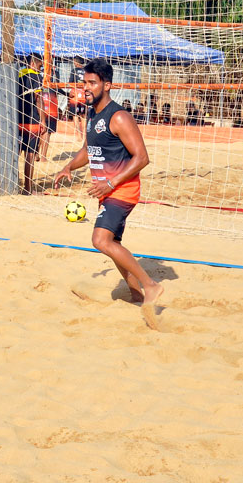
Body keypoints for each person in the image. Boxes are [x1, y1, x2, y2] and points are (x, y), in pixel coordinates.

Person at [53, 58, 164, 322]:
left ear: (108, 85)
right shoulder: (92, 114)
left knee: (100, 241)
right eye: (84, 83)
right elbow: (87, 150)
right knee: (113, 244)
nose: (87, 88)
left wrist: (111, 183)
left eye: (92, 83)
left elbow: (142, 158)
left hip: (122, 191)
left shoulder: (120, 117)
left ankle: (151, 286)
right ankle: (137, 297)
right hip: (106, 191)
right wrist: (69, 167)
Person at [17, 55, 45, 193]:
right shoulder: (36, 77)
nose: (41, 69)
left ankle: (12, 183)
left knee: (15, 153)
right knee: (30, 155)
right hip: (32, 121)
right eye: (40, 66)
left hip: (16, 120)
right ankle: (27, 188)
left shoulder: (17, 75)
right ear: (33, 63)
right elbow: (38, 100)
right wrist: (43, 120)